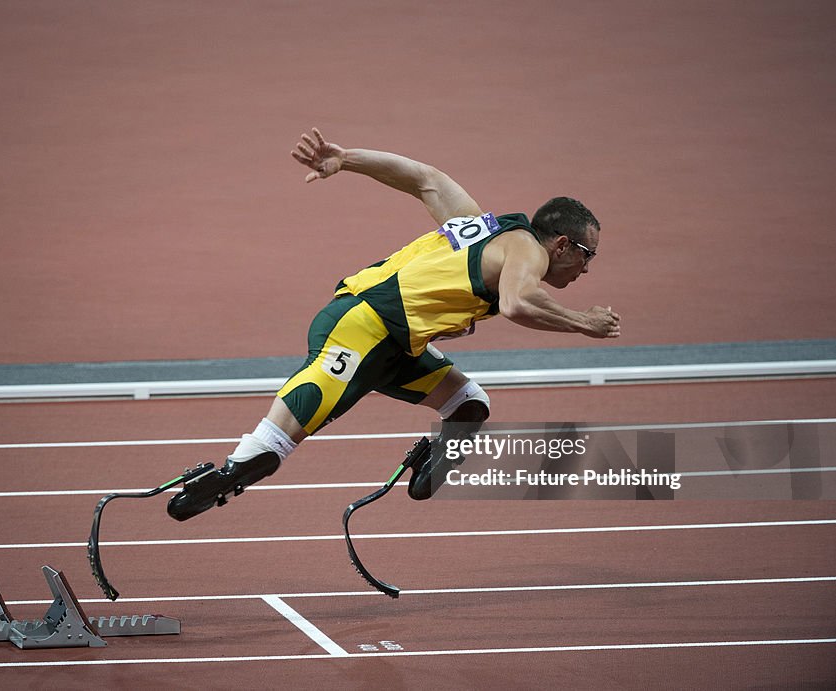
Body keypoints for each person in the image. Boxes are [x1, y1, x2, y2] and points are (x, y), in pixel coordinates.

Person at [167, 128, 620, 520]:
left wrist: (346, 160)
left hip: (400, 346)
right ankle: (229, 471)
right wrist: (585, 323)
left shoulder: (482, 227)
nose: (586, 270)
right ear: (562, 244)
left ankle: (425, 466)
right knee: (278, 441)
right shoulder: (528, 250)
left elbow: (424, 178)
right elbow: (520, 303)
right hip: (363, 325)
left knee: (468, 403)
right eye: (587, 256)